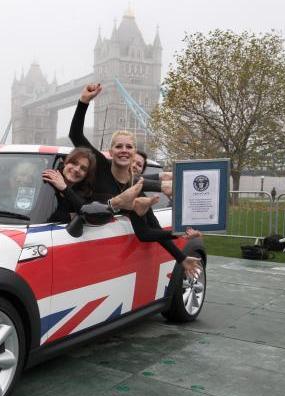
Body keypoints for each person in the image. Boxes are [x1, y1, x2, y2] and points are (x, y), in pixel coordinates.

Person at [70, 83, 201, 278]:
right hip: (82, 240)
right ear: (111, 151)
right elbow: (75, 135)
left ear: (133, 153)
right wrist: (83, 103)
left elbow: (147, 233)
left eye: (129, 147)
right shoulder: (100, 165)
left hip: (108, 256)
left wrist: (180, 251)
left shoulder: (137, 189)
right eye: (119, 146)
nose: (124, 150)